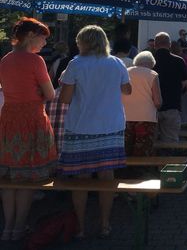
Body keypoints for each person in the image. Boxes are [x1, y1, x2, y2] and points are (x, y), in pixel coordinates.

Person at [58, 25, 132, 239]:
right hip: (110, 126)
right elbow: (127, 90)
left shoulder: (76, 64)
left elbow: (64, 98)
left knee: (81, 178)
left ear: (84, 42)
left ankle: (80, 227)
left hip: (81, 126)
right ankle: (105, 224)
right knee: (106, 177)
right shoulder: (116, 63)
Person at [0, 18, 57, 242]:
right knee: (27, 178)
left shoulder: (4, 60)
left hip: (8, 119)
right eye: (43, 37)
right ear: (32, 35)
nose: (44, 43)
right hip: (31, 119)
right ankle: (18, 228)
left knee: (9, 178)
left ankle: (7, 228)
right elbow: (51, 94)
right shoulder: (35, 61)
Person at [123, 51, 162, 157]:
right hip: (146, 118)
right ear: (150, 63)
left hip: (126, 117)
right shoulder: (153, 75)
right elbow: (157, 101)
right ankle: (141, 172)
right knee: (143, 149)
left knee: (126, 148)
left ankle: (124, 172)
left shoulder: (125, 72)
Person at [153, 32, 187, 143]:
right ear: (169, 45)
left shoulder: (149, 61)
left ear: (155, 44)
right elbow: (184, 82)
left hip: (151, 108)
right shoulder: (179, 61)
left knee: (151, 142)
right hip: (172, 106)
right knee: (170, 143)